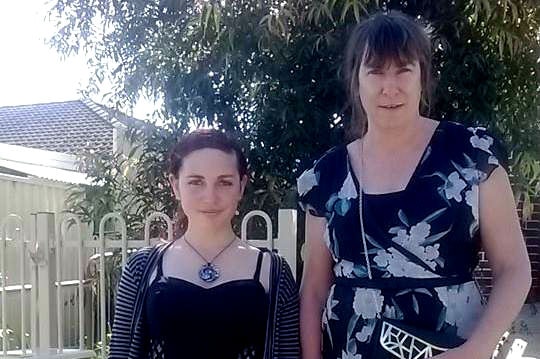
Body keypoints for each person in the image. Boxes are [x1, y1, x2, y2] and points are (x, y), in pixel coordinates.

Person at [298, 11, 531, 359]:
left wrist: (477, 350)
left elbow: (513, 269)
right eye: (375, 71)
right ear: (355, 80)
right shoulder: (324, 178)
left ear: (423, 74)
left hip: (453, 348)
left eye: (403, 70)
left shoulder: (472, 157)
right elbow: (314, 289)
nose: (389, 87)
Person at [109, 129, 300, 359]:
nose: (210, 197)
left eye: (224, 183)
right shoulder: (141, 268)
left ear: (241, 186)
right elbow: (120, 352)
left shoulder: (274, 272)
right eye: (196, 182)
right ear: (175, 186)